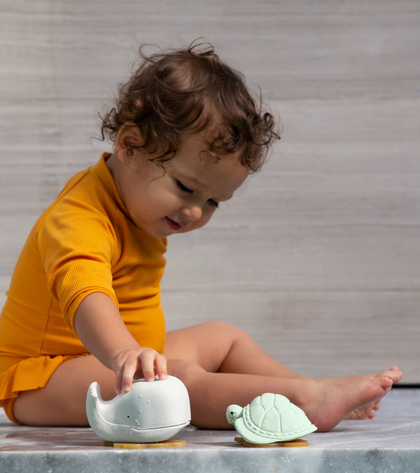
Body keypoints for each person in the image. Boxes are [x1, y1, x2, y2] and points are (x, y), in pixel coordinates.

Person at [0, 42, 402, 432]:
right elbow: (85, 291)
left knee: (225, 338)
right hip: (40, 379)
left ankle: (306, 390)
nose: (194, 211)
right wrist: (124, 351)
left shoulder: (136, 204)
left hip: (121, 359)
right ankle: (306, 402)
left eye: (213, 201)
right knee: (175, 384)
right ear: (130, 145)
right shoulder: (78, 216)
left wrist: (134, 354)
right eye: (185, 187)